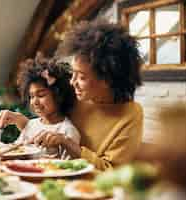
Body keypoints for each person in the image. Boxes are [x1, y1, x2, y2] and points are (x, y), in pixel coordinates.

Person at [51, 19, 143, 170]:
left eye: (81, 77)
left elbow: (111, 172)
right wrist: (23, 122)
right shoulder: (75, 97)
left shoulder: (130, 114)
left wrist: (70, 146)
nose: (72, 82)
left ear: (107, 79)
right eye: (72, 73)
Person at [0, 57, 81, 158]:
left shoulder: (67, 131)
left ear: (59, 96)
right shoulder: (31, 124)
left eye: (41, 95)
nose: (35, 102)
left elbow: (69, 168)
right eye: (31, 96)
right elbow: (14, 151)